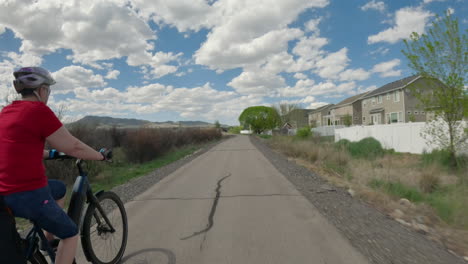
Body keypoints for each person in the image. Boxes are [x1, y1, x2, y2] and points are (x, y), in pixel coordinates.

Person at [0, 67, 109, 264]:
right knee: (70, 233)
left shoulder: (7, 111)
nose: (48, 94)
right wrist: (100, 156)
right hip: (27, 194)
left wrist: (50, 153)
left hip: (3, 193)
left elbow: (19, 147)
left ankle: (47, 240)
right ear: (41, 90)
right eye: (48, 90)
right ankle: (56, 238)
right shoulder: (39, 111)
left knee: (58, 189)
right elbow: (74, 147)